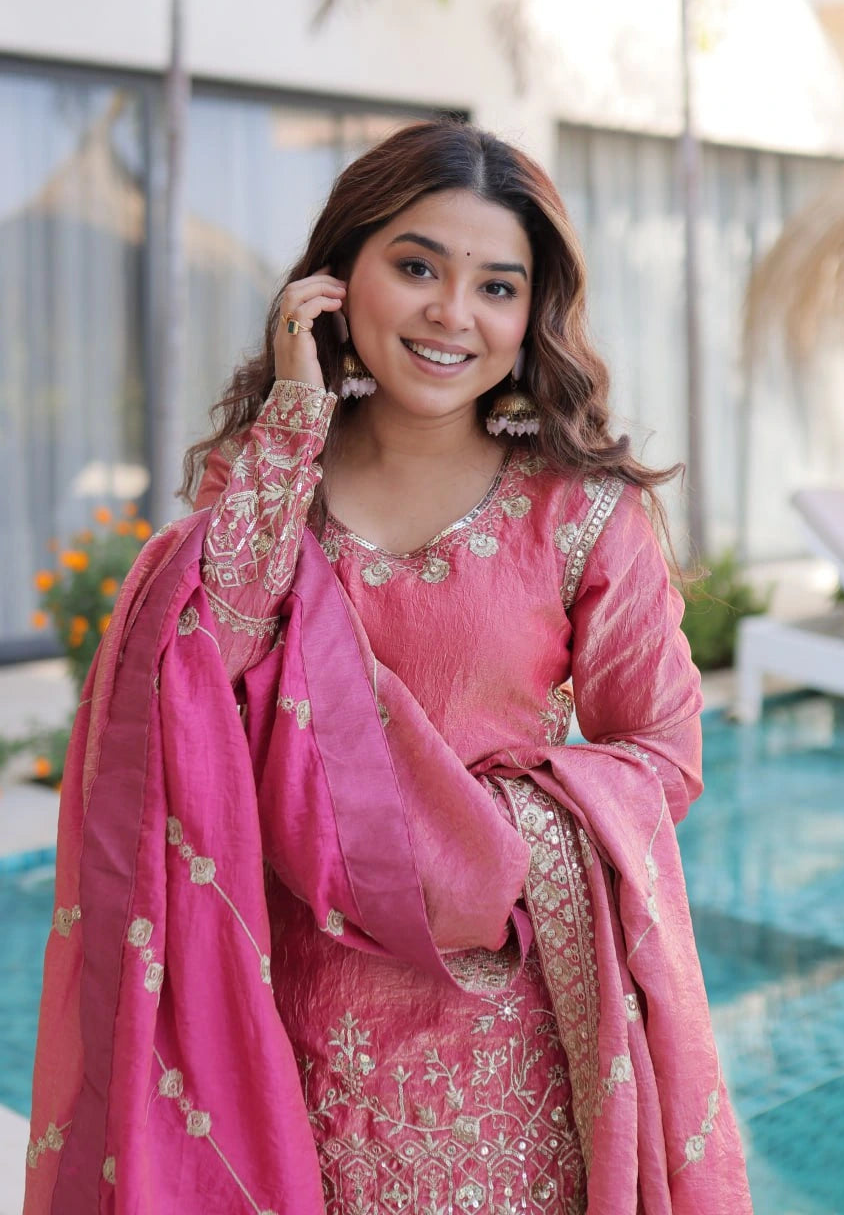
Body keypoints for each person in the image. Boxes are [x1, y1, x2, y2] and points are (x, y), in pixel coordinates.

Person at [26, 121, 752, 1214]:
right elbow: (198, 669)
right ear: (338, 273)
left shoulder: (580, 515)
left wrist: (483, 845)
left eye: (495, 286)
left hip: (509, 1056)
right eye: (416, 266)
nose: (451, 313)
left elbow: (662, 753)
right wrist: (293, 417)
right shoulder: (268, 492)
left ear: (529, 316)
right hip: (284, 1033)